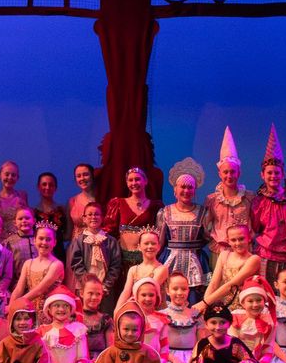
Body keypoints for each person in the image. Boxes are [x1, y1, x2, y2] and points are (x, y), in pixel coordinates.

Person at [250, 124, 286, 282]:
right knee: (267, 292)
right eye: (269, 172)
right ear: (262, 175)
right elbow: (256, 227)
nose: (273, 176)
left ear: (283, 174)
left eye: (276, 172)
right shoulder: (259, 201)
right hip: (267, 255)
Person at [158, 158, 209, 304]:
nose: (186, 191)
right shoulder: (165, 212)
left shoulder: (203, 212)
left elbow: (208, 237)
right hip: (170, 259)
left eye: (190, 187)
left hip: (196, 261)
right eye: (183, 187)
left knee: (195, 299)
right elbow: (160, 241)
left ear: (194, 190)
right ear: (175, 190)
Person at [204, 126, 254, 258]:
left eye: (233, 172)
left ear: (239, 173)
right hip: (220, 251)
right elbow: (205, 225)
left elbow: (255, 224)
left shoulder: (249, 197)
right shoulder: (212, 199)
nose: (229, 176)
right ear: (220, 174)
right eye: (225, 172)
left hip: (244, 252)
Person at [67, 202, 124, 314]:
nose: (93, 217)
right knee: (84, 315)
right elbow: (76, 264)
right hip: (85, 288)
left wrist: (106, 285)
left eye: (97, 214)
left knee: (105, 315)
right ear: (84, 218)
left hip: (105, 289)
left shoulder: (111, 241)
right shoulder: (78, 241)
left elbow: (116, 265)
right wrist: (86, 285)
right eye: (90, 214)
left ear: (102, 217)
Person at [102, 166, 156, 272]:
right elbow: (109, 230)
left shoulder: (155, 206)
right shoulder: (118, 203)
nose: (134, 183)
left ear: (145, 181)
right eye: (130, 180)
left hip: (146, 260)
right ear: (127, 183)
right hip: (122, 260)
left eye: (137, 179)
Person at [40, 288, 91, 363]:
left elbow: (84, 359)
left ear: (71, 309)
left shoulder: (79, 330)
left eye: (66, 306)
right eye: (56, 305)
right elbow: (41, 361)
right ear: (49, 309)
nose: (61, 309)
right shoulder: (42, 332)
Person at [202, 223, 262, 311]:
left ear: (249, 238)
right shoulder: (224, 255)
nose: (238, 243)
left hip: (247, 308)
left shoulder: (254, 259)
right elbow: (213, 284)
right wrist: (205, 306)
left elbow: (232, 285)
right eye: (233, 240)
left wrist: (204, 303)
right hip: (227, 307)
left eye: (241, 239)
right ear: (228, 241)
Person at [9, 223, 64, 317]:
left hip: (49, 311)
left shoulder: (57, 265)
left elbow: (40, 290)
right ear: (34, 240)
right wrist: (11, 308)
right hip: (29, 310)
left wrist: (16, 304)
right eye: (41, 238)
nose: (44, 242)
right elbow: (18, 290)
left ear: (54, 242)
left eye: (48, 239)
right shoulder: (28, 263)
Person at [159, 274, 201, 363]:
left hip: (193, 356)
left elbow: (201, 342)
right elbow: (158, 344)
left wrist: (195, 358)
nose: (179, 292)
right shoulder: (162, 315)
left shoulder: (195, 314)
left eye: (183, 289)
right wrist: (172, 359)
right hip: (170, 357)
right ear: (167, 291)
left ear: (188, 290)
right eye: (175, 289)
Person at [32, 172, 69, 260]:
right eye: (44, 184)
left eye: (51, 185)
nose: (47, 187)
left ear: (55, 188)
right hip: (38, 255)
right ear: (38, 187)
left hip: (59, 254)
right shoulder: (33, 212)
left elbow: (68, 234)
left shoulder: (62, 210)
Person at [0, 160, 29, 231]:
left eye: (13, 175)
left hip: (20, 237)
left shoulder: (22, 196)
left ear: (17, 178)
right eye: (7, 174)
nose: (10, 177)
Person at [67, 162, 98, 247]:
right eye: (78, 176)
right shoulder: (72, 201)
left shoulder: (101, 199)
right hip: (77, 246)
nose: (82, 178)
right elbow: (69, 232)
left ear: (92, 176)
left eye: (85, 174)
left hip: (97, 244)